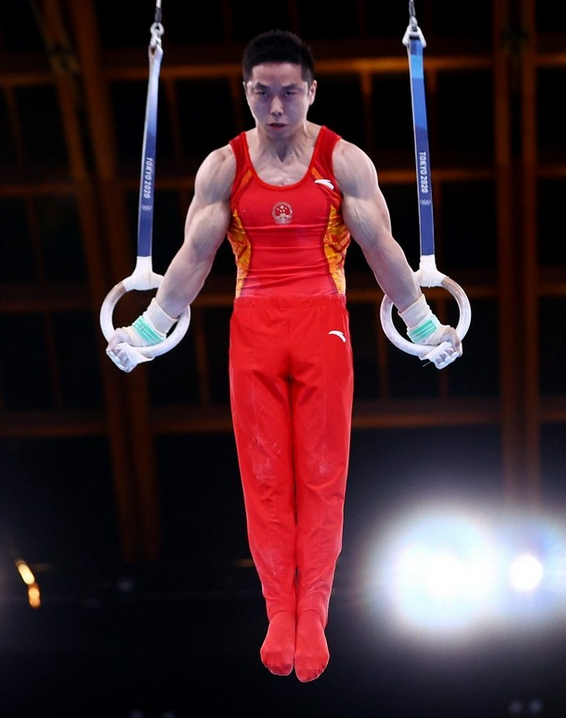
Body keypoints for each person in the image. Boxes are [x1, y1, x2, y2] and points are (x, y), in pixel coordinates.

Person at [107, 30, 462, 682]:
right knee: (265, 478)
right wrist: (147, 332)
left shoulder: (343, 160)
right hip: (254, 329)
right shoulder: (223, 167)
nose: (276, 107)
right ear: (246, 91)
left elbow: (382, 249)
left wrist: (424, 323)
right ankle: (278, 611)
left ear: (311, 92)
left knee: (323, 476)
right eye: (263, 92)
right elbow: (193, 258)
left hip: (323, 325)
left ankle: (315, 611)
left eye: (289, 93)